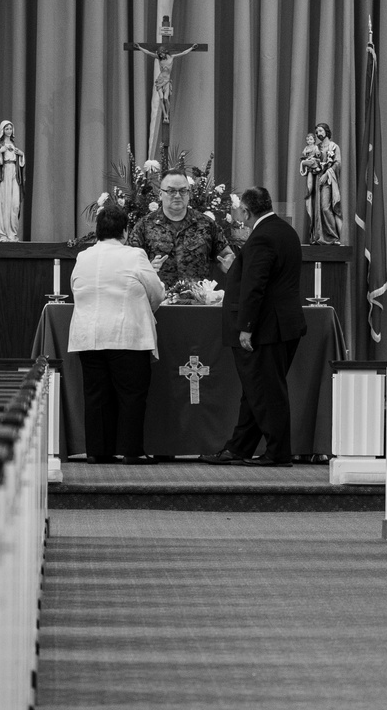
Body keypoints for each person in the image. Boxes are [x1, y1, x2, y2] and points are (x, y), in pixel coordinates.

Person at [204, 185, 306, 467]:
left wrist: (246, 327)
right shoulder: (285, 230)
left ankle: (278, 453)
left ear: (246, 212)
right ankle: (238, 448)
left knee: (266, 392)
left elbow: (255, 286)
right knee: (256, 390)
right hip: (282, 325)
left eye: (240, 210)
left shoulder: (261, 237)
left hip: (264, 328)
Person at [67, 203, 165, 462]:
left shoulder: (83, 257)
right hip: (127, 336)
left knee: (97, 396)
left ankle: (98, 452)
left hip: (89, 336)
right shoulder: (135, 256)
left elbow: (76, 289)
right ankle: (132, 451)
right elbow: (157, 293)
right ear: (125, 231)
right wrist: (144, 307)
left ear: (97, 231)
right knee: (131, 395)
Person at [127, 169, 233, 289]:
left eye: (183, 191)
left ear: (189, 193)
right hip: (159, 302)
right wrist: (148, 269)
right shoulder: (144, 226)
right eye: (171, 191)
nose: (177, 196)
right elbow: (130, 267)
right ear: (161, 194)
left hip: (197, 301)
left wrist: (229, 263)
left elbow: (225, 256)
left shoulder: (206, 224)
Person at [300, 120, 342, 244]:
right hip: (316, 179)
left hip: (328, 181)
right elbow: (310, 160)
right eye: (317, 132)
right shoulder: (315, 147)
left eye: (320, 131)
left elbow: (338, 163)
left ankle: (333, 237)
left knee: (325, 207)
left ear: (326, 132)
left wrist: (327, 173)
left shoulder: (334, 146)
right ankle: (317, 237)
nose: (318, 134)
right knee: (316, 209)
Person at [0, 120, 25, 241]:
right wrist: (0, 152)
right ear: (2, 130)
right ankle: (2, 233)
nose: (9, 131)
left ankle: (12, 233)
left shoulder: (13, 143)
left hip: (14, 174)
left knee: (14, 205)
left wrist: (21, 154)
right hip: (3, 177)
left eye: (10, 128)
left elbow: (18, 160)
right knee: (3, 204)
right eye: (6, 129)